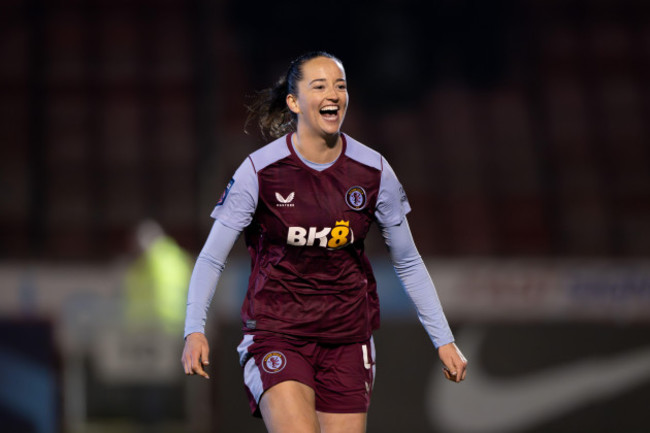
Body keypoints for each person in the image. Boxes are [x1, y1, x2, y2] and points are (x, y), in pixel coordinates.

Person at [181, 51, 467, 433]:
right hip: (277, 333)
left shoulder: (374, 171)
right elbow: (212, 258)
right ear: (294, 102)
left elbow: (408, 261)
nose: (333, 94)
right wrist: (194, 328)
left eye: (340, 85)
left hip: (348, 338)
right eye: (320, 86)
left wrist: (443, 340)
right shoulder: (259, 172)